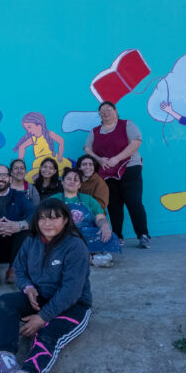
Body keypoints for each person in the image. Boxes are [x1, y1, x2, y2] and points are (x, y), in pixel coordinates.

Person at [0, 199, 91, 373]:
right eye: (43, 218)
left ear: (65, 220)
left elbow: (71, 292)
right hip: (41, 297)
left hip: (74, 305)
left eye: (54, 218)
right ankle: (6, 360)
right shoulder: (31, 241)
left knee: (47, 332)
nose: (47, 223)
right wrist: (28, 289)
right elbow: (20, 271)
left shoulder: (75, 246)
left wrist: (42, 317)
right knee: (5, 302)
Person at [84, 101, 150, 248]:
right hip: (107, 172)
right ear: (99, 115)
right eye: (102, 111)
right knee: (113, 205)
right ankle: (118, 236)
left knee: (134, 202)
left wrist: (117, 159)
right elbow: (87, 149)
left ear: (115, 110)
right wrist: (99, 159)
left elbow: (135, 143)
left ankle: (143, 235)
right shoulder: (95, 131)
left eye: (109, 109)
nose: (106, 113)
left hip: (129, 168)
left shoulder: (127, 125)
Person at [52, 168, 120, 266]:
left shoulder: (88, 199)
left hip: (86, 233)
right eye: (69, 179)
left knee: (109, 235)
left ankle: (78, 256)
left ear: (79, 184)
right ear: (62, 182)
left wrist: (105, 225)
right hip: (64, 234)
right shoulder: (54, 199)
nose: (72, 182)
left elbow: (100, 218)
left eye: (76, 180)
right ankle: (92, 258)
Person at [13, 112, 70, 183]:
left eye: (29, 127)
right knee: (31, 178)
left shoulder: (49, 134)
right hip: (39, 163)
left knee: (60, 172)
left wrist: (60, 157)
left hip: (52, 160)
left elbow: (61, 141)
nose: (28, 130)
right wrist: (20, 163)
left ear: (39, 125)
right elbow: (21, 147)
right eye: (26, 128)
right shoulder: (33, 139)